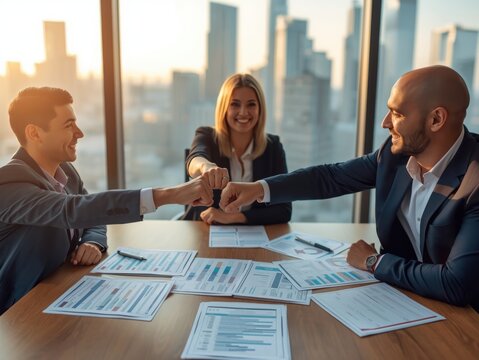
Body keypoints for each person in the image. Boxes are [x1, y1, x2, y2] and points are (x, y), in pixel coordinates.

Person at [219, 65, 479, 311]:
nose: (385, 123)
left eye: (398, 114)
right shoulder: (393, 155)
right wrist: (258, 188)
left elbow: (456, 284)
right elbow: (330, 177)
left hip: (465, 322)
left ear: (436, 119)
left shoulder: (474, 181)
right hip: (401, 301)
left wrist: (373, 262)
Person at [0, 87, 213, 314]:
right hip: (21, 313)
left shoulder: (66, 172)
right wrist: (171, 194)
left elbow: (94, 217)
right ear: (34, 133)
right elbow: (73, 211)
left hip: (66, 294)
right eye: (68, 125)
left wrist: (92, 243)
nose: (79, 133)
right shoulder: (10, 183)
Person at [183, 73, 291, 225]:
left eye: (251, 104)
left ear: (260, 109)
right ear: (224, 108)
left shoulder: (273, 147)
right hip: (205, 231)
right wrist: (205, 167)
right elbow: (195, 159)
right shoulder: (206, 135)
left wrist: (233, 218)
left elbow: (284, 210)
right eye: (235, 104)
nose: (243, 112)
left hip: (253, 237)